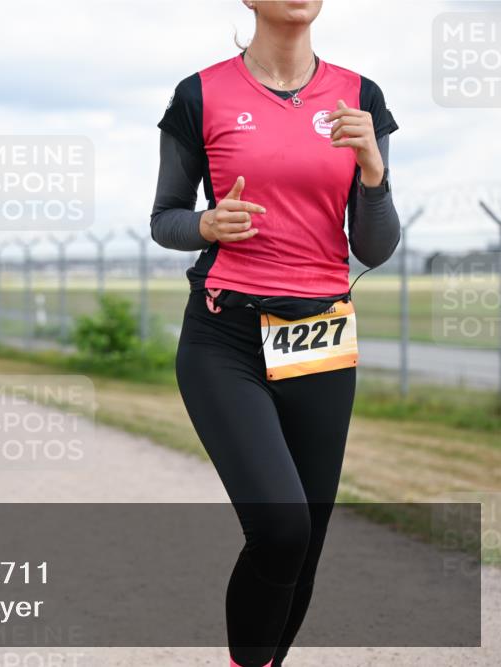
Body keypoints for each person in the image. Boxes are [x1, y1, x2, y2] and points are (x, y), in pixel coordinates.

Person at [150, 3, 400, 666]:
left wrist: (373, 172)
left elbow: (373, 247)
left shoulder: (360, 98)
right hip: (224, 336)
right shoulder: (199, 94)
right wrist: (206, 225)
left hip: (320, 336)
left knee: (307, 541)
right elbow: (165, 218)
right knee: (281, 527)